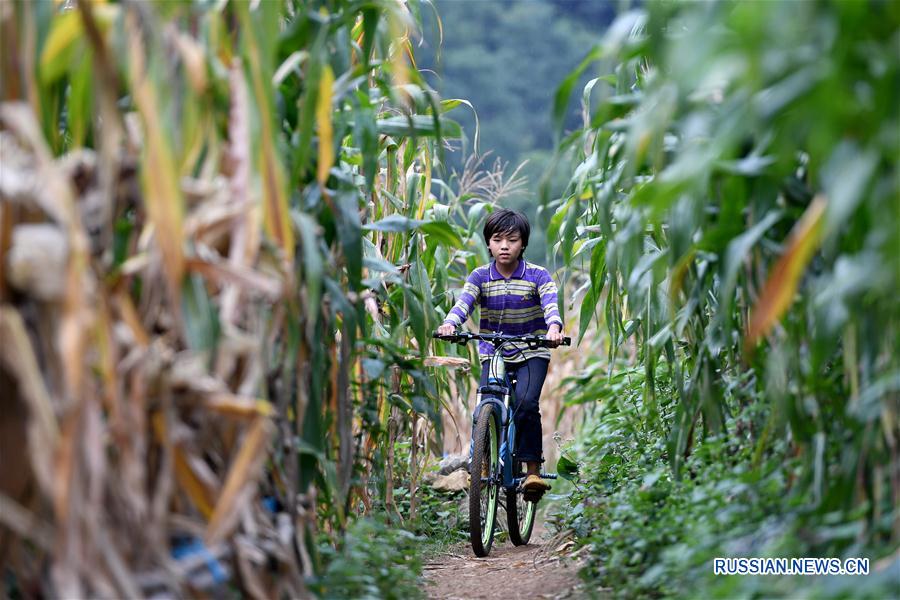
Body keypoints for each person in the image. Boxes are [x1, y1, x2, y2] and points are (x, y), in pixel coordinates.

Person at [437, 208, 564, 493]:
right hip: (494, 352)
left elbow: (550, 305)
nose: (504, 246)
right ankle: (482, 463)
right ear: (488, 243)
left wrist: (554, 327)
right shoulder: (480, 276)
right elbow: (463, 304)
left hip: (532, 351)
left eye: (512, 240)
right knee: (486, 403)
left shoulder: (537, 275)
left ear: (523, 244)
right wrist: (449, 324)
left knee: (526, 403)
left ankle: (532, 471)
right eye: (497, 239)